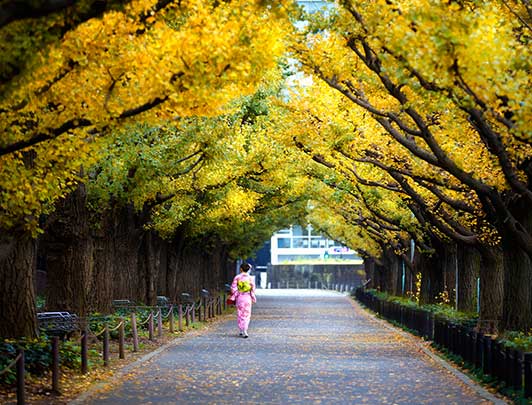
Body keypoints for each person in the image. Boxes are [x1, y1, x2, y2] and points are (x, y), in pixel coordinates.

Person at [230, 262, 256, 338]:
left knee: (240, 313)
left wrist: (235, 294)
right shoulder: (251, 278)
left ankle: (241, 329)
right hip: (247, 297)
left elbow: (233, 287)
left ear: (241, 269)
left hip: (240, 297)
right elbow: (253, 289)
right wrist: (252, 296)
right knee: (247, 314)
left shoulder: (237, 277)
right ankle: (245, 329)